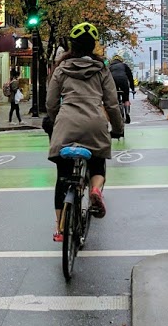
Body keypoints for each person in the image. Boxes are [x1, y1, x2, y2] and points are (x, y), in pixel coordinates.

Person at [46, 22, 125, 241]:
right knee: (98, 162)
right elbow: (112, 104)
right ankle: (95, 190)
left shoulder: (62, 68)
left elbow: (51, 103)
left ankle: (60, 229)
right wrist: (118, 129)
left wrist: (55, 122)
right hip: (94, 124)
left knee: (63, 176)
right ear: (93, 46)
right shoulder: (102, 69)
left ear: (72, 45)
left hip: (66, 124)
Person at [109, 54, 136, 124]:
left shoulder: (110, 67)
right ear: (120, 60)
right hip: (123, 80)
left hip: (113, 81)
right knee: (126, 99)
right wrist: (132, 88)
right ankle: (127, 113)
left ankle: (117, 114)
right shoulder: (124, 65)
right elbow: (130, 77)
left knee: (115, 98)